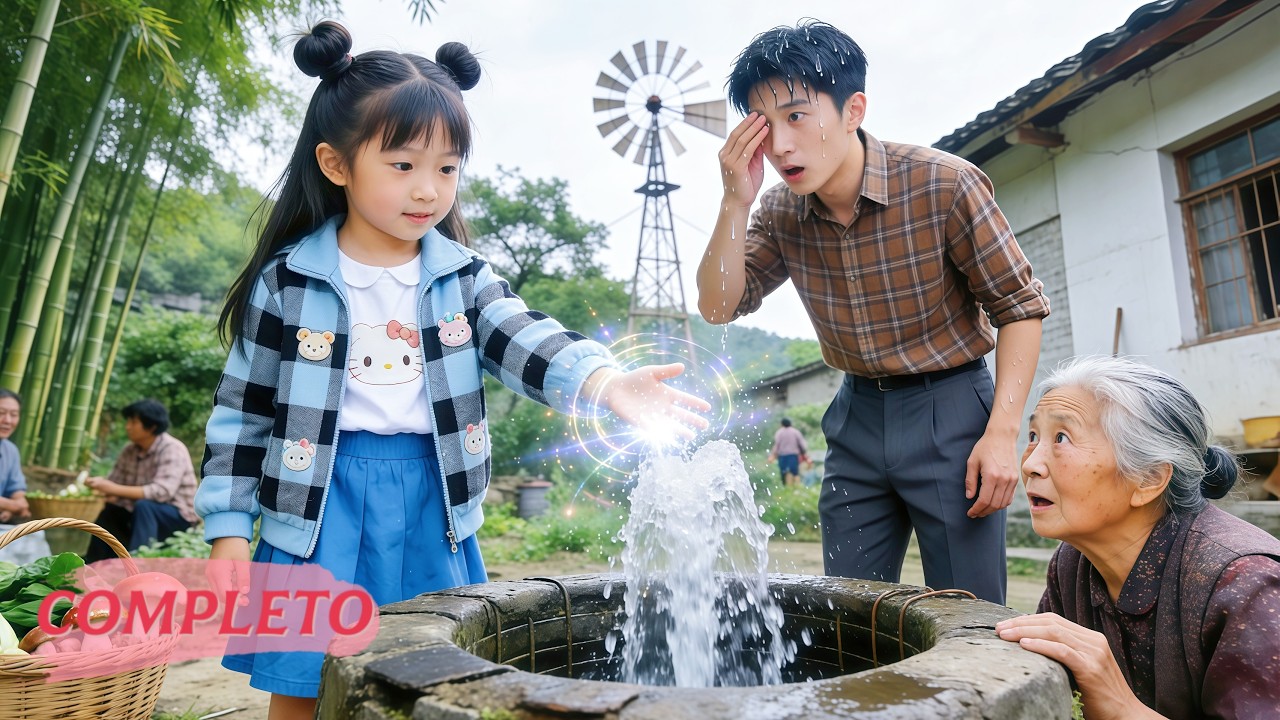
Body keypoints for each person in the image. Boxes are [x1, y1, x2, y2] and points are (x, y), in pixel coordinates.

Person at [196, 21, 710, 718]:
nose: (428, 190)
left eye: (446, 168)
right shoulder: (291, 280)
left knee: (432, 675)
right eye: (403, 166)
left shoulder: (462, 279)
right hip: (319, 507)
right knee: (303, 686)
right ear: (336, 163)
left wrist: (606, 382)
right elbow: (243, 413)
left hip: (431, 505)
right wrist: (228, 531)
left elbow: (527, 339)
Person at [696, 20, 1049, 604]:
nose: (780, 145)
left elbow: (1020, 307)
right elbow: (717, 306)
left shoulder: (944, 183)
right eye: (764, 125)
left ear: (853, 109)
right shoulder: (780, 211)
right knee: (847, 610)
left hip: (953, 411)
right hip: (856, 415)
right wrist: (736, 200)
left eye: (797, 116)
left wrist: (1003, 434)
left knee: (969, 608)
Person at [996, 356, 1280, 719]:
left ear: (1147, 479)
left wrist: (1120, 707)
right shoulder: (1073, 564)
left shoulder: (1247, 582)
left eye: (1062, 438)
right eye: (1034, 436)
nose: (1030, 463)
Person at [83, 399, 198, 562]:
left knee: (145, 506)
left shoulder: (172, 449)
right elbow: (115, 485)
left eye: (133, 422)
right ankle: (95, 564)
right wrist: (98, 490)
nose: (127, 426)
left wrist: (112, 488)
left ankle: (140, 562)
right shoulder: (129, 451)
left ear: (151, 426)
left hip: (178, 517)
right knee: (110, 511)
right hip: (139, 513)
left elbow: (161, 492)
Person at [0, 389, 30, 524]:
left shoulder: (10, 451)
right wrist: (12, 506)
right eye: (1, 413)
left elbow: (17, 490)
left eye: (14, 415)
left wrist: (18, 504)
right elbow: (17, 506)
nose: (7, 420)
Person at [766, 417, 808, 486]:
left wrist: (773, 454)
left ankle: (786, 486)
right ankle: (797, 486)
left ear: (782, 424)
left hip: (782, 455)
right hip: (793, 455)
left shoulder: (779, 433)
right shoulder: (795, 432)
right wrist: (804, 453)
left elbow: (777, 445)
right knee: (795, 472)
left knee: (783, 471)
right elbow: (801, 444)